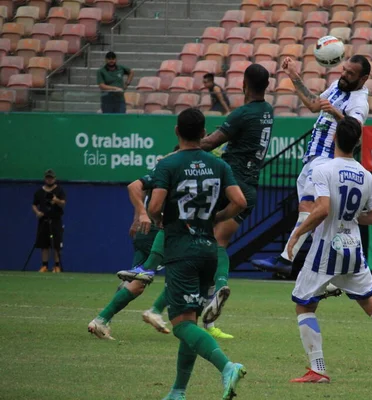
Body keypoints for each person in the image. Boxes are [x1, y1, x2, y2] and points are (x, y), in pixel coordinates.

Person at [287, 117, 372, 384]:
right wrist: (349, 217)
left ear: (334, 139)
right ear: (359, 142)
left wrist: (297, 233)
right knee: (371, 304)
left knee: (303, 306)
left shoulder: (323, 169)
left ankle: (317, 369)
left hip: (326, 250)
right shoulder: (366, 175)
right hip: (353, 249)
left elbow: (323, 209)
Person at [147, 107, 247, 400]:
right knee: (190, 321)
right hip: (208, 251)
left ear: (176, 132)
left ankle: (227, 366)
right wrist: (217, 217)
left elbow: (154, 208)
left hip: (181, 250)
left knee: (180, 324)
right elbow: (239, 201)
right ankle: (178, 391)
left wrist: (159, 220)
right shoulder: (217, 164)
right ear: (204, 134)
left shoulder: (168, 164)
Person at [252, 55, 371, 276]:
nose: (344, 75)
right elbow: (314, 104)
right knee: (314, 217)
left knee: (309, 209)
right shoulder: (338, 86)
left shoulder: (359, 102)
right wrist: (293, 76)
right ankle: (331, 269)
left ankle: (286, 259)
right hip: (314, 158)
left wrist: (336, 112)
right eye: (344, 70)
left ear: (363, 78)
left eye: (350, 73)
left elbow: (356, 132)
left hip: (328, 158)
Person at [193, 63, 273, 339]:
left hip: (229, 184)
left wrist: (184, 143)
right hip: (249, 190)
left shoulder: (242, 114)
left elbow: (209, 142)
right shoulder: (268, 112)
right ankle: (217, 292)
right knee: (218, 244)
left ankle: (154, 286)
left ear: (243, 84)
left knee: (192, 234)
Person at [87, 147, 181, 340]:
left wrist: (138, 216)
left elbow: (142, 192)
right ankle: (152, 311)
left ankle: (103, 320)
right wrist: (143, 215)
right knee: (174, 275)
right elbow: (138, 189)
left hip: (145, 232)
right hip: (158, 233)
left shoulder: (165, 168)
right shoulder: (175, 168)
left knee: (134, 282)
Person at [32, 169, 66, 273]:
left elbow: (63, 203)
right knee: (44, 244)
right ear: (45, 179)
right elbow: (34, 204)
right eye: (48, 178)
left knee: (56, 244)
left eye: (51, 178)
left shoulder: (59, 190)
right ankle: (44, 265)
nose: (49, 180)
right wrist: (37, 212)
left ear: (54, 179)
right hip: (43, 220)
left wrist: (56, 200)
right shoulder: (39, 192)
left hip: (55, 219)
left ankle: (56, 266)